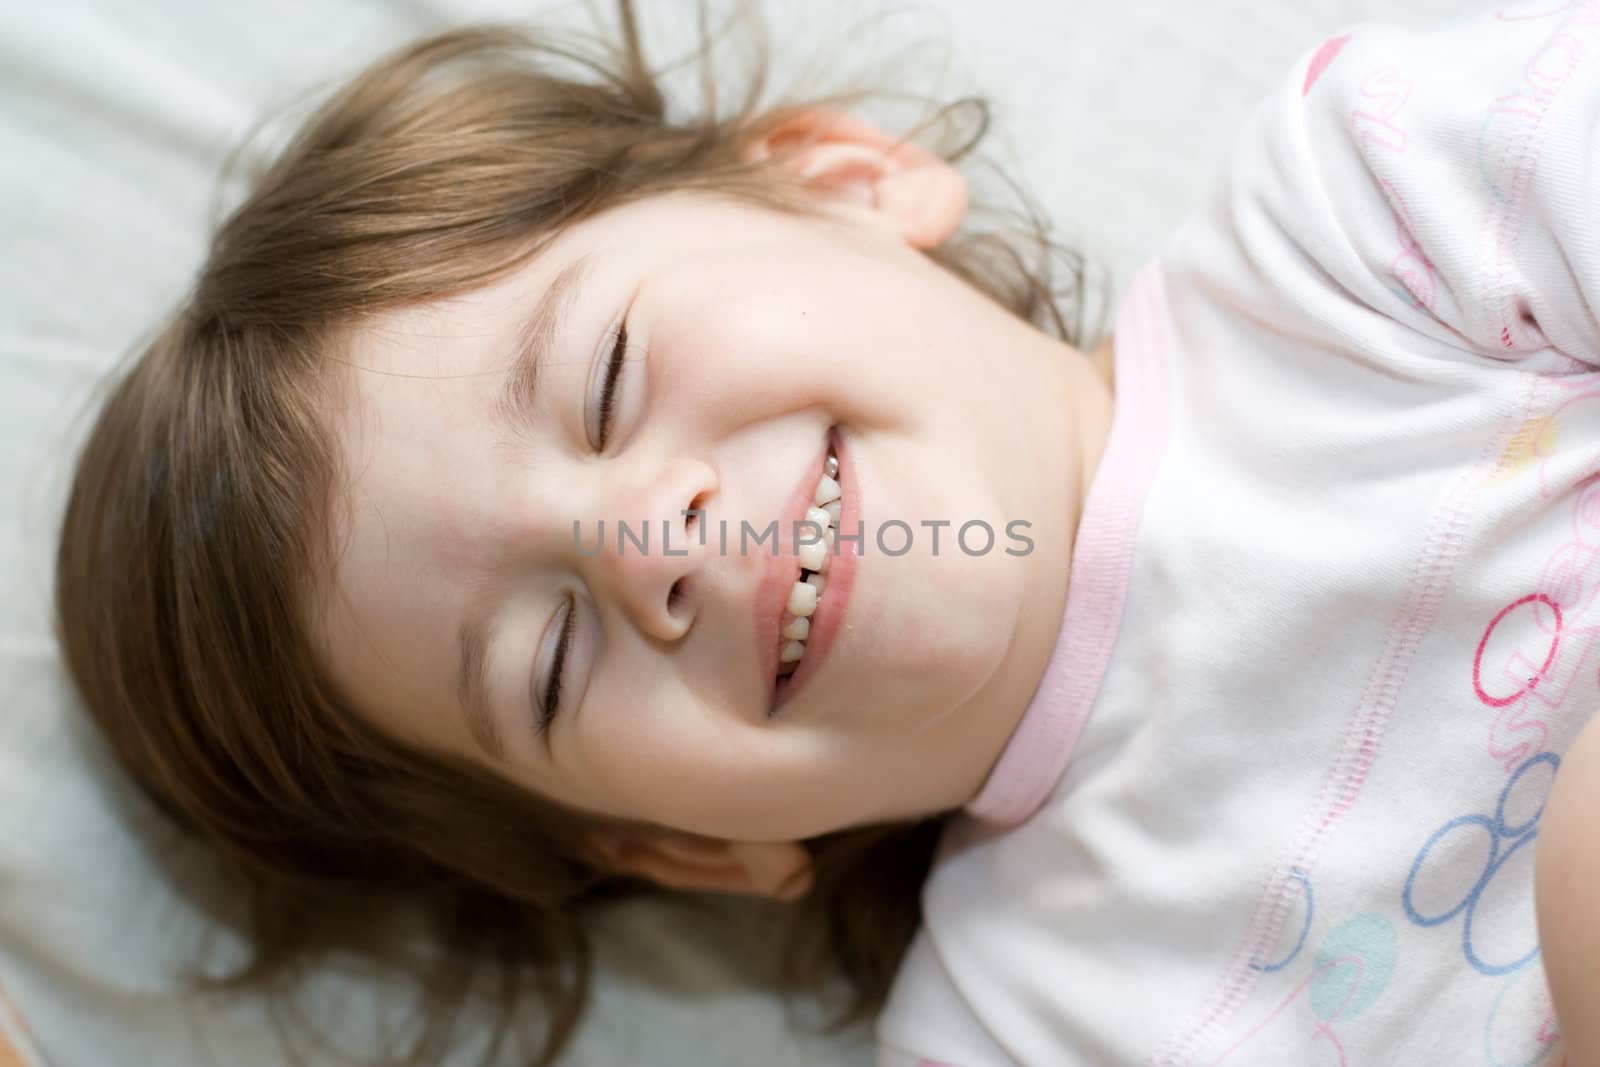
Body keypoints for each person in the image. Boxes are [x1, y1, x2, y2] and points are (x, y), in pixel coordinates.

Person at [48, 0, 1600, 1064]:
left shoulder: (1363, 229)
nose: (645, 541)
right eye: (550, 658)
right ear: (687, 851)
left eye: (605, 381)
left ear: (840, 180)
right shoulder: (1021, 1033)